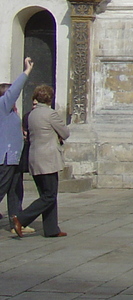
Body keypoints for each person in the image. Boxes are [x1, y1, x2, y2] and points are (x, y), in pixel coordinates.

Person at [11, 83, 68, 238]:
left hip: (34, 157)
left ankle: (51, 229)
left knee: (45, 193)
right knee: (49, 195)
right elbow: (65, 132)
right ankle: (21, 219)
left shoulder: (31, 115)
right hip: (48, 159)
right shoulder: (50, 114)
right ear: (49, 98)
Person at [0, 58, 33, 232]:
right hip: (5, 157)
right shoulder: (2, 106)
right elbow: (15, 90)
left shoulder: (10, 112)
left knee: (15, 191)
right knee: (2, 188)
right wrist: (27, 71)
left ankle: (16, 222)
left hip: (14, 157)